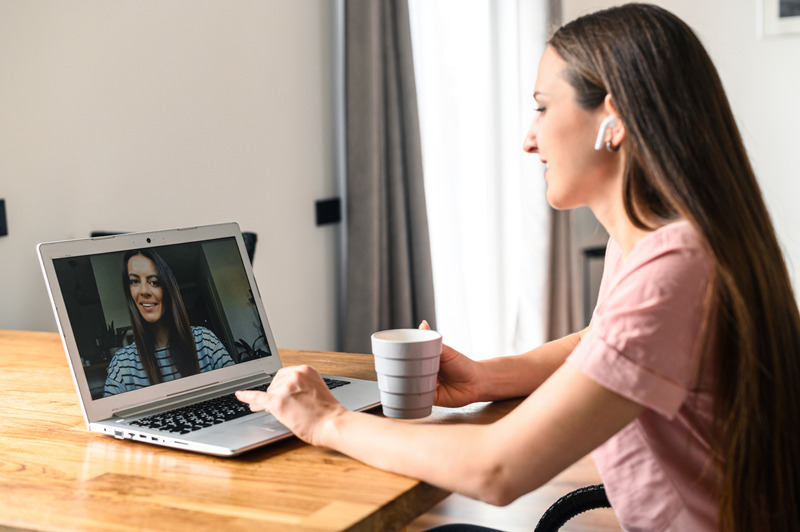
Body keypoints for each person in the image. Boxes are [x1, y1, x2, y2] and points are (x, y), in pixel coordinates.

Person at [236, 4, 800, 531]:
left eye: (542, 106)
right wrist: (488, 377)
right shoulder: (655, 242)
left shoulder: (672, 267)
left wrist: (327, 421)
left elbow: (498, 470)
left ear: (615, 118)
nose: (529, 140)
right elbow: (604, 342)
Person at [104, 249, 234, 396]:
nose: (144, 291)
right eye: (134, 281)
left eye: (154, 282)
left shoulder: (205, 341)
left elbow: (239, 394)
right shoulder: (121, 364)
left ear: (168, 289)